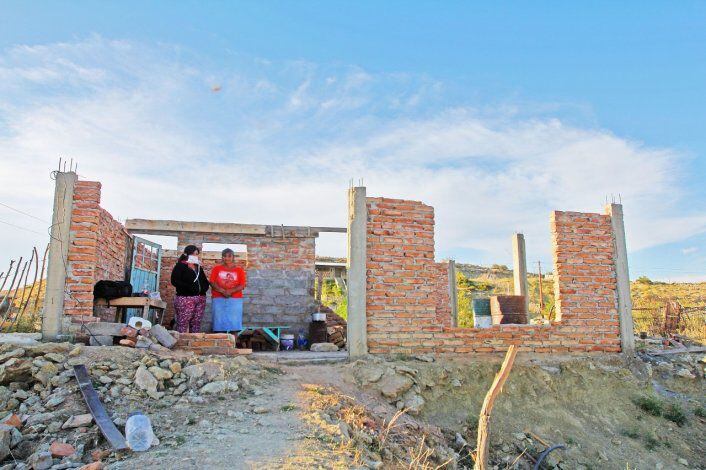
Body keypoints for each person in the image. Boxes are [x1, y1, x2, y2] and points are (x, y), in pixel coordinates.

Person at [170, 245, 210, 333]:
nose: (195, 256)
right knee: (183, 322)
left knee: (196, 322)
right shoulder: (180, 266)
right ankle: (181, 344)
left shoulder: (199, 268)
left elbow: (204, 281)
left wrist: (203, 290)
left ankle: (193, 344)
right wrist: (190, 271)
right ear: (187, 254)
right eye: (193, 254)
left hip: (200, 299)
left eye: (196, 254)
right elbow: (174, 281)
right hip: (185, 298)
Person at [209, 248, 246, 332]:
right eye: (224, 256)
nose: (227, 258)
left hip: (235, 300)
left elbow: (242, 285)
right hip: (218, 298)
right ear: (222, 257)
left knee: (235, 326)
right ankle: (219, 344)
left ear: (233, 257)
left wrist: (230, 291)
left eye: (229, 256)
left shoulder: (239, 270)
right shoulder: (216, 269)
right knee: (218, 326)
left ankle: (232, 345)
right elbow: (212, 282)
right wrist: (223, 291)